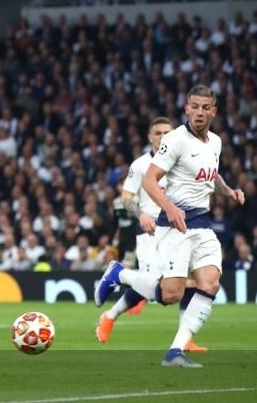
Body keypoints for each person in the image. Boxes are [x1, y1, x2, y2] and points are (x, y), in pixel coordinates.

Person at [94, 85, 245, 368]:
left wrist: (229, 191)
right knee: (170, 294)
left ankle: (175, 351)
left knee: (209, 283)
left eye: (205, 107)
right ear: (186, 108)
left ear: (214, 111)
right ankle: (121, 274)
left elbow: (211, 176)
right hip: (172, 225)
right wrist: (170, 208)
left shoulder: (215, 142)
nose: (199, 112)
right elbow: (150, 180)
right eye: (194, 107)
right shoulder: (175, 140)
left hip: (202, 223)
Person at [96, 117, 207, 352]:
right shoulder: (140, 165)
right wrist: (140, 215)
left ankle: (185, 340)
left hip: (180, 230)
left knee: (190, 282)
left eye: (167, 132)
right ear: (150, 137)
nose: (163, 136)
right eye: (157, 132)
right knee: (159, 290)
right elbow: (126, 197)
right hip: (150, 231)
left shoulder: (182, 160)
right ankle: (114, 301)